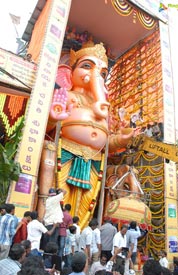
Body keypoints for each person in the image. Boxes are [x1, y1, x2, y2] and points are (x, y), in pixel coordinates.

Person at [45, 42, 135, 229]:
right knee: (60, 197)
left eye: (102, 74)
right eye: (87, 66)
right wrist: (53, 119)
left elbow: (107, 141)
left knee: (87, 203)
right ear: (69, 72)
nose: (96, 75)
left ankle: (78, 232)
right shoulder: (67, 95)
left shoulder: (102, 107)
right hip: (65, 153)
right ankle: (55, 232)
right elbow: (45, 128)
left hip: (94, 160)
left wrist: (121, 140)